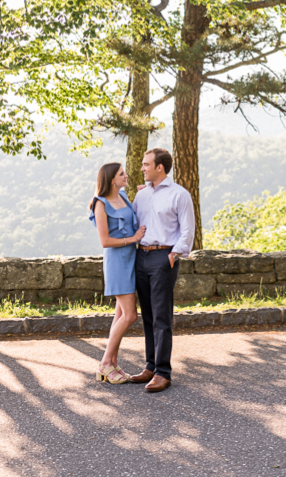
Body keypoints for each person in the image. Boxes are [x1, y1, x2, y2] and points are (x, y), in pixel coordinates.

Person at [129, 148, 195, 393]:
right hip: (141, 256)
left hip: (163, 257)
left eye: (146, 164)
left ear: (160, 167)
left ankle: (163, 373)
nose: (142, 168)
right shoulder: (142, 195)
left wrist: (173, 255)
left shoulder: (180, 194)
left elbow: (188, 230)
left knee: (161, 317)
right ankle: (150, 366)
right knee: (147, 315)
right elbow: (132, 220)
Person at [89, 162, 146, 384]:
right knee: (130, 316)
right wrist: (132, 239)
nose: (127, 175)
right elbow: (105, 241)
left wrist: (145, 194)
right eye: (122, 174)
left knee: (120, 316)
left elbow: (135, 218)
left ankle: (112, 364)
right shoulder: (100, 204)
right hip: (117, 262)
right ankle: (104, 363)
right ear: (112, 179)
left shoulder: (123, 197)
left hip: (131, 260)